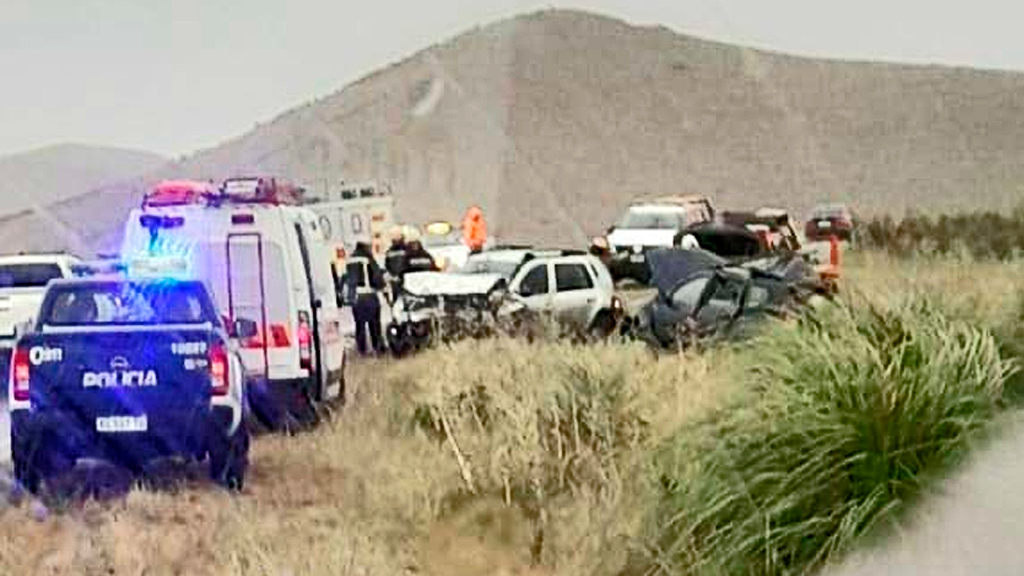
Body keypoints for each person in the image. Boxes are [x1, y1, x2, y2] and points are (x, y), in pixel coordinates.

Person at [344, 242, 385, 356]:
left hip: (356, 298)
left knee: (359, 325)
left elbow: (347, 278)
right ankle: (378, 348)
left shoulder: (350, 259)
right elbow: (376, 277)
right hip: (369, 295)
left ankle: (362, 350)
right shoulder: (368, 258)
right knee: (374, 324)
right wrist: (381, 286)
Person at [384, 225, 408, 301]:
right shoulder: (407, 249)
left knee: (398, 298)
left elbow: (387, 265)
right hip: (403, 278)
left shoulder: (390, 251)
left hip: (399, 279)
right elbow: (387, 265)